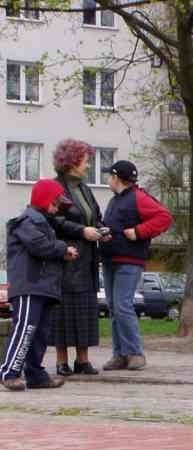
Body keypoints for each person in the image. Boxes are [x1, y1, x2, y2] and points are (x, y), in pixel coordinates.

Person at [0, 180, 79, 391]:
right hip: (29, 285)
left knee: (40, 332)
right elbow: (39, 246)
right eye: (55, 202)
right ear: (44, 200)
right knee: (25, 329)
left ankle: (35, 374)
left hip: (43, 287)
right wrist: (63, 249)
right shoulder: (27, 221)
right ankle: (9, 372)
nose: (57, 207)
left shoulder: (43, 222)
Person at [99, 160, 172, 371]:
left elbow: (164, 217)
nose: (107, 180)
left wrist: (139, 232)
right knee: (114, 307)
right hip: (111, 258)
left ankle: (135, 353)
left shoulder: (138, 197)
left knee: (122, 305)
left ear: (116, 178)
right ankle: (120, 354)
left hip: (129, 260)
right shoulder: (115, 201)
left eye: (108, 176)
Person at [49, 139, 105, 377]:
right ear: (72, 162)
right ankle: (62, 361)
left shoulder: (84, 188)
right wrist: (82, 231)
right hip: (67, 257)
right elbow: (55, 220)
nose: (88, 165)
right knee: (63, 310)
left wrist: (102, 230)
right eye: (86, 160)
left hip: (88, 258)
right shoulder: (56, 188)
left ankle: (83, 360)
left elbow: (95, 216)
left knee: (85, 309)